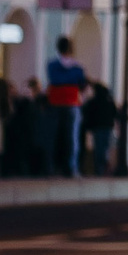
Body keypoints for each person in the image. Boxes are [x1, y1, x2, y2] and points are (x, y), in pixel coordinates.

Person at [45, 37, 86, 176]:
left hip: (58, 102)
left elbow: (56, 80)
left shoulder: (53, 65)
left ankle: (57, 167)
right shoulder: (77, 68)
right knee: (69, 138)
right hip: (70, 102)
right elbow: (79, 81)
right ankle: (69, 167)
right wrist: (72, 76)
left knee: (59, 137)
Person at [83, 79, 119, 176]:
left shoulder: (94, 101)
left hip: (99, 127)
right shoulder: (109, 100)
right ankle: (103, 168)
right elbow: (115, 113)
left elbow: (88, 113)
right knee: (105, 148)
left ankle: (100, 168)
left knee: (99, 148)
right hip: (107, 127)